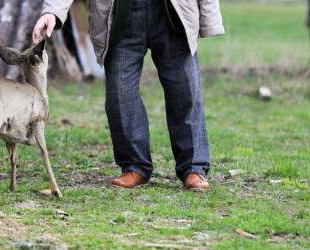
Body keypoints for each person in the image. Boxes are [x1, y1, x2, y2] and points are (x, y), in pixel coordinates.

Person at [33, 0, 224, 191]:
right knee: (120, 95)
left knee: (186, 92)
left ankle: (193, 168)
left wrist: (209, 18)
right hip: (120, 15)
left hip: (172, 13)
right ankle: (135, 167)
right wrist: (52, 12)